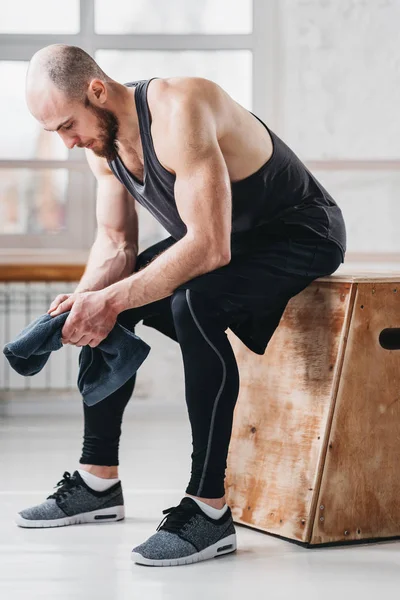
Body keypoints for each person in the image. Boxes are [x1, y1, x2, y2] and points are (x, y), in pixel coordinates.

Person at [17, 44, 346, 567]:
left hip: (299, 232)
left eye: (66, 125)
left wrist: (105, 298)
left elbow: (210, 246)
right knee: (108, 307)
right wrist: (84, 301)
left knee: (194, 302)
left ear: (96, 91)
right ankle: (97, 482)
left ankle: (209, 510)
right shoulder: (102, 148)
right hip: (229, 236)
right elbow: (116, 246)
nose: (67, 142)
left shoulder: (180, 107)